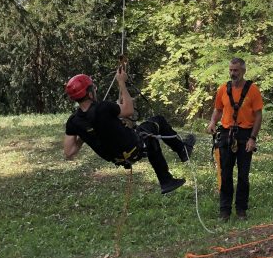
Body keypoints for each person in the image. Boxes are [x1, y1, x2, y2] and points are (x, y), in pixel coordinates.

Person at [63, 65, 195, 194]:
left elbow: (69, 152)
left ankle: (167, 179)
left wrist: (85, 132)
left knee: (148, 136)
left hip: (118, 158)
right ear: (90, 93)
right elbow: (128, 110)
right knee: (157, 122)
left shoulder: (74, 122)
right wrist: (121, 82)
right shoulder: (103, 107)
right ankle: (181, 154)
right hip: (134, 147)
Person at [207, 57, 263, 221]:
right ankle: (224, 211)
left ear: (243, 71)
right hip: (226, 134)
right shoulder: (223, 89)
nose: (233, 73)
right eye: (231, 70)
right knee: (225, 175)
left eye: (236, 70)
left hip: (246, 135)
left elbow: (258, 116)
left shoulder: (253, 90)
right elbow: (218, 109)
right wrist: (212, 122)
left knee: (243, 176)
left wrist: (253, 138)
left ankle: (241, 211)